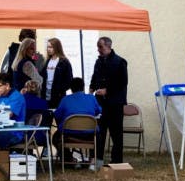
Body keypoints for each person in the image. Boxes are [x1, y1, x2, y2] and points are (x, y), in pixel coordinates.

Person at [89, 36, 128, 170]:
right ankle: (98, 161)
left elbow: (123, 83)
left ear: (108, 46)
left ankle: (116, 161)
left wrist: (107, 91)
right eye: (98, 47)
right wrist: (91, 89)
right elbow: (94, 77)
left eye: (100, 47)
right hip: (101, 104)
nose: (98, 50)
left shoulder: (120, 62)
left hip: (115, 103)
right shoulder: (98, 62)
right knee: (100, 132)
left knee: (116, 133)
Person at [52, 77, 101, 165]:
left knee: (55, 138)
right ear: (83, 87)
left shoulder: (65, 99)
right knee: (98, 135)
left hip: (69, 133)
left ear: (71, 88)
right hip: (89, 133)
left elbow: (57, 115)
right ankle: (93, 160)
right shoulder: (91, 98)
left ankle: (68, 158)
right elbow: (98, 111)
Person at [0, 72, 26, 149]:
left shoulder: (17, 97)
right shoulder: (2, 96)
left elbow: (7, 115)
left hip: (14, 133)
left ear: (7, 86)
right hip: (1, 130)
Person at [42, 37, 73, 109]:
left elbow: (69, 80)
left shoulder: (64, 62)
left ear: (57, 47)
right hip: (45, 96)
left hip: (58, 97)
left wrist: (59, 90)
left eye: (51, 47)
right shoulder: (47, 61)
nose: (48, 49)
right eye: (47, 47)